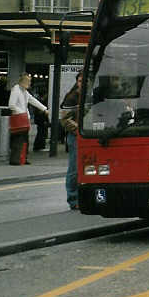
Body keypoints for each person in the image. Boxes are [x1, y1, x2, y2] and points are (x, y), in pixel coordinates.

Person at [8, 73, 48, 165]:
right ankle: (15, 159)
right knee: (18, 140)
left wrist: (44, 109)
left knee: (25, 140)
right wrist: (22, 113)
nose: (30, 83)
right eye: (28, 81)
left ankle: (23, 158)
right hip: (19, 119)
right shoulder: (16, 90)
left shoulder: (24, 91)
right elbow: (11, 105)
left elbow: (33, 100)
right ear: (23, 81)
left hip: (23, 120)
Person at [60, 72, 82, 210]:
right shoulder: (72, 97)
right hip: (75, 136)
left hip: (87, 136)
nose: (82, 82)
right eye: (80, 80)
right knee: (74, 168)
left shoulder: (89, 96)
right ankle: (73, 198)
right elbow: (65, 119)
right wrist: (78, 129)